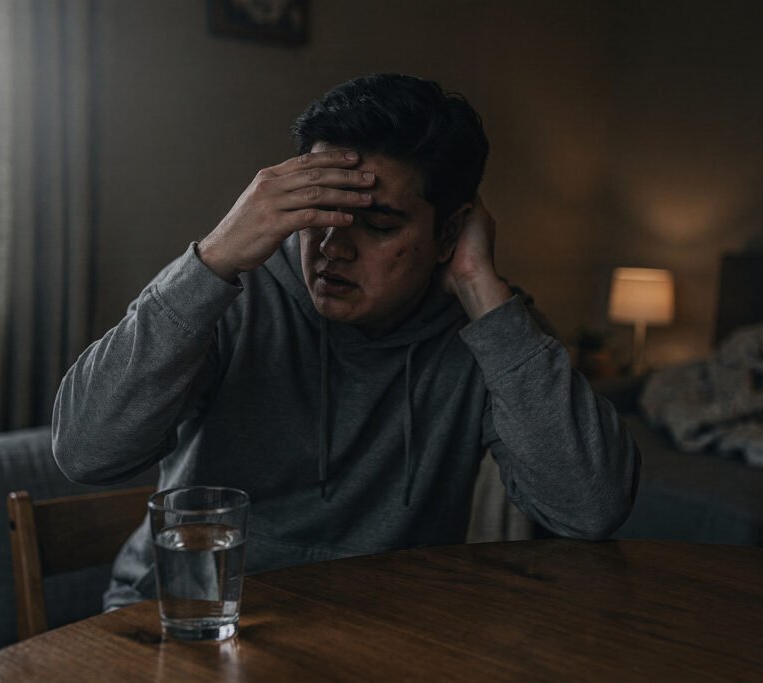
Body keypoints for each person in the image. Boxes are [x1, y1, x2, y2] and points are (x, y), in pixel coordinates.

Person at [52, 73, 640, 610]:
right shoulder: (233, 293)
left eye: (379, 225)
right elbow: (85, 453)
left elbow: (591, 509)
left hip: (377, 634)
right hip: (195, 618)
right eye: (321, 212)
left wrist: (481, 288)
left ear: (449, 233)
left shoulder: (490, 330)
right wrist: (213, 259)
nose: (333, 248)